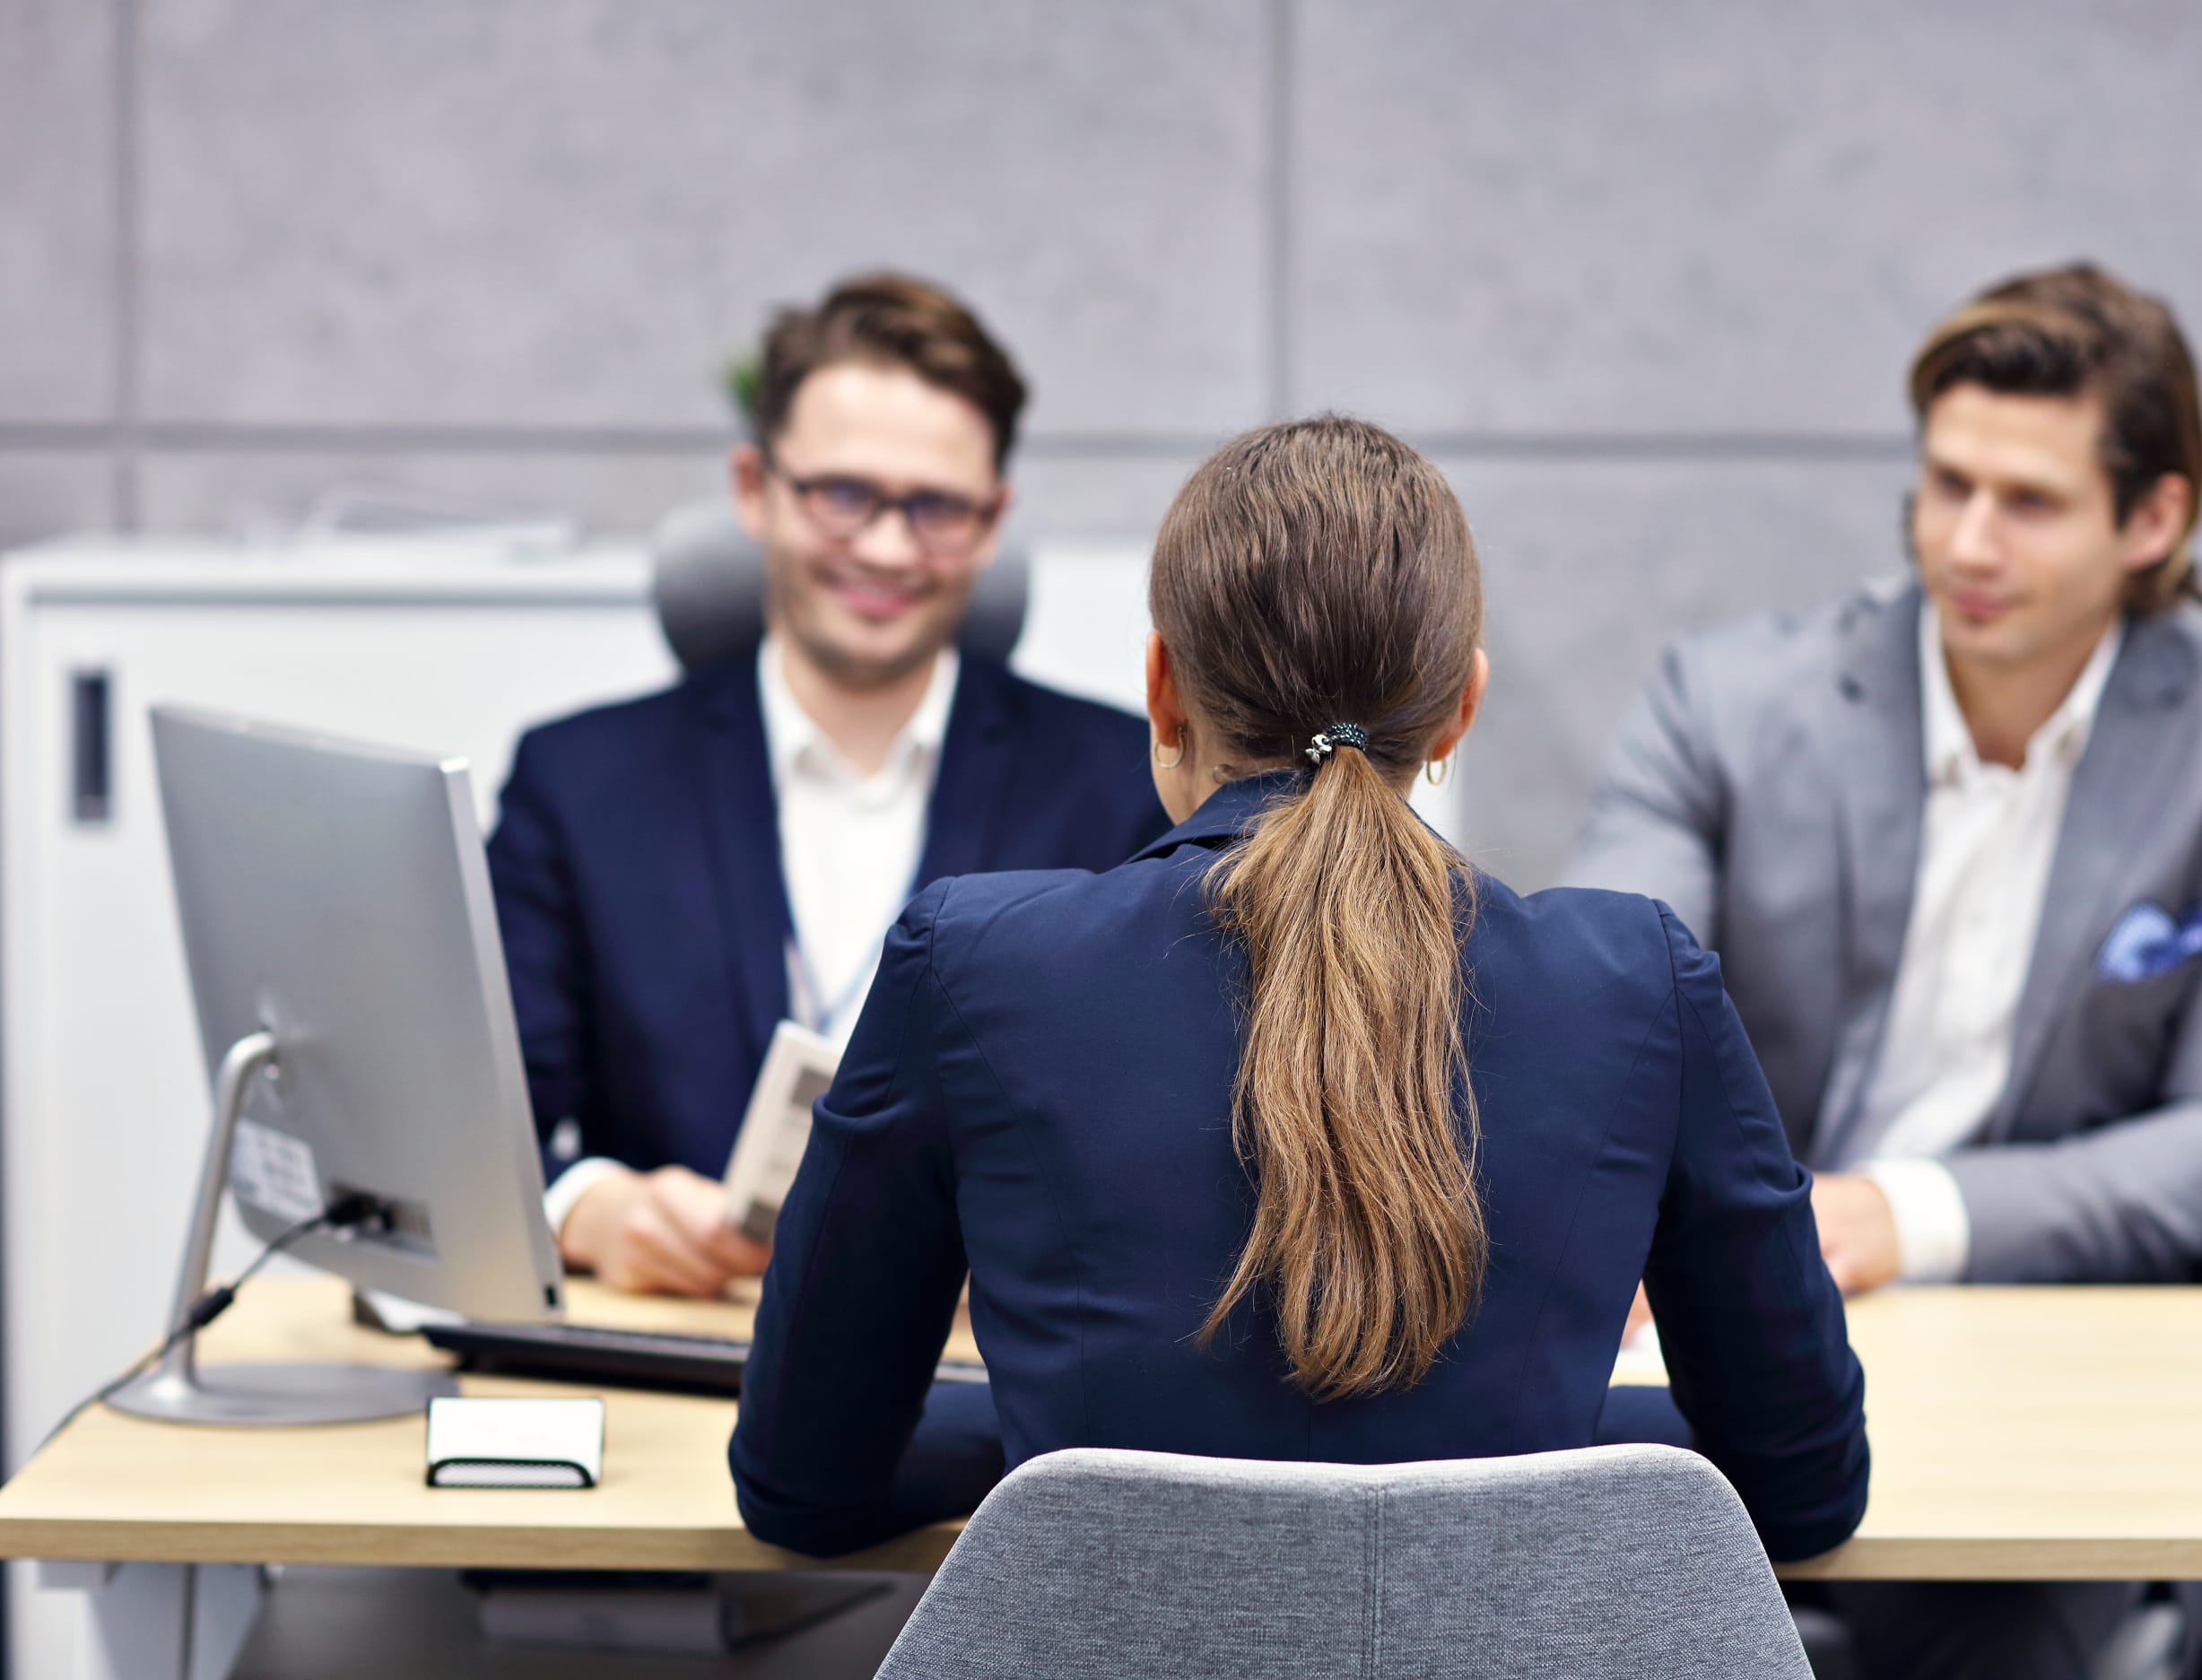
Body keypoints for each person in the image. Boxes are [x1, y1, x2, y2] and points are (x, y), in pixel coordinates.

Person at [729, 415, 1869, 1564]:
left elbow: (802, 1483)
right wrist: (1552, 1432)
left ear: (1161, 687)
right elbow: (1801, 1484)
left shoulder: (974, 962)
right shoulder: (1634, 981)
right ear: (1460, 708)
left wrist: (1055, 1437)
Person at [1568, 263, 2202, 1676]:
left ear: (2153, 519)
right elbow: (1602, 1018)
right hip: (1728, 1337)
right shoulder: (1727, 704)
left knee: (1980, 1639)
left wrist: (1903, 1213)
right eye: (1946, 484)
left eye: (2029, 501)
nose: (1967, 542)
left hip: (2051, 1373)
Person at [487, 274, 1170, 1300]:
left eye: (937, 507)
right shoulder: (580, 784)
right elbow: (482, 1123)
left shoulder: (1126, 789)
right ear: (754, 489)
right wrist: (585, 1207)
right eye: (845, 496)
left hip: (984, 1359)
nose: (888, 548)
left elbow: (1174, 1137)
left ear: (993, 521)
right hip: (677, 1335)